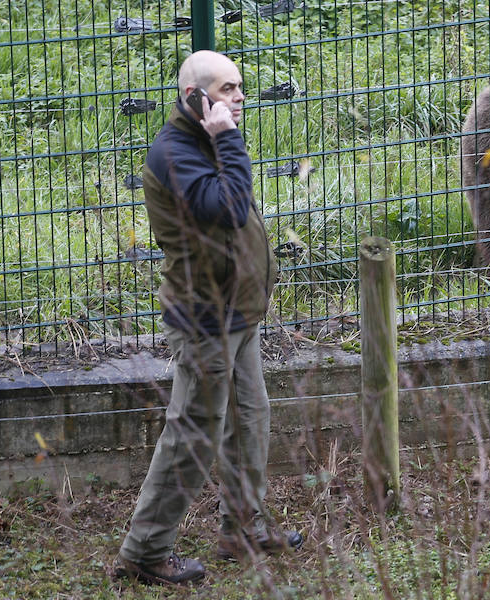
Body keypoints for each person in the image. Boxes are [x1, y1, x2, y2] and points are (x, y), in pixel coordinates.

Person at [112, 50, 302, 586]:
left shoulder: (202, 142)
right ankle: (145, 550)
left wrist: (222, 139)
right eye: (227, 89)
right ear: (195, 97)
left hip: (237, 313)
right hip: (205, 321)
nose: (239, 98)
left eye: (240, 87)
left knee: (250, 419)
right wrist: (227, 140)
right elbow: (231, 208)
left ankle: (243, 527)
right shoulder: (177, 152)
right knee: (193, 434)